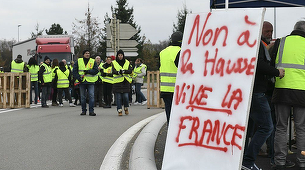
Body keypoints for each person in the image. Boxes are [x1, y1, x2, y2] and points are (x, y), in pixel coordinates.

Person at [241, 28, 285, 170]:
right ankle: (247, 162)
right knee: (267, 127)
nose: (269, 34)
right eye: (266, 30)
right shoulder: (256, 44)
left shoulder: (246, 43)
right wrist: (276, 72)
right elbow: (259, 65)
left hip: (248, 91)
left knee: (248, 128)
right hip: (257, 92)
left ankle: (242, 160)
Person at [271, 21, 305, 170]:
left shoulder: (280, 41)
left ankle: (279, 162)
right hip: (301, 90)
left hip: (281, 88)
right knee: (302, 127)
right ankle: (302, 162)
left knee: (281, 127)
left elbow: (272, 63)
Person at [159, 31, 182, 124]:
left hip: (165, 89)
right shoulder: (180, 51)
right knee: (177, 116)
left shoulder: (162, 52)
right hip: (176, 89)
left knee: (169, 114)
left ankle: (169, 135)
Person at [73, 50, 98, 116]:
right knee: (83, 97)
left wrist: (88, 71)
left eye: (88, 53)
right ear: (83, 54)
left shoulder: (93, 61)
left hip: (91, 81)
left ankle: (91, 111)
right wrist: (78, 78)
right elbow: (74, 71)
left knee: (91, 96)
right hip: (82, 81)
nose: (87, 54)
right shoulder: (79, 61)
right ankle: (83, 110)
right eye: (86, 53)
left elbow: (96, 70)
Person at [112, 49, 133, 116]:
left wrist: (124, 71)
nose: (120, 56)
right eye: (119, 55)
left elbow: (130, 70)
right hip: (117, 82)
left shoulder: (127, 62)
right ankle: (119, 110)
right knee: (118, 98)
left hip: (125, 82)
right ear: (117, 56)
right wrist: (118, 72)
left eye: (121, 55)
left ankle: (126, 107)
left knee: (126, 97)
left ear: (123, 56)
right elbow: (113, 71)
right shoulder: (114, 62)